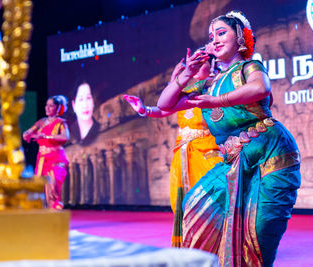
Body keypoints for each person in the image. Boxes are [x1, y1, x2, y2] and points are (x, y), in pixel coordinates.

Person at [157, 11, 300, 267]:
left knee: (261, 229)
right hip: (234, 161)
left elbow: (261, 88)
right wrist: (184, 75)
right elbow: (165, 104)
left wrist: (217, 101)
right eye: (212, 36)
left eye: (221, 33)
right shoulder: (207, 85)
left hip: (271, 154)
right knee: (195, 208)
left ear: (241, 39)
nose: (215, 39)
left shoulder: (248, 67)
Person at [124, 51, 222, 247]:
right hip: (183, 155)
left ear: (211, 65)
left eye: (199, 62)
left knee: (209, 202)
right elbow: (166, 108)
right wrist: (144, 110)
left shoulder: (217, 87)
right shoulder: (190, 89)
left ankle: (215, 246)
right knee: (181, 202)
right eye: (191, 62)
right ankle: (190, 246)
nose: (193, 66)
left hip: (207, 154)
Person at [23, 95, 70, 210]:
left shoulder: (61, 123)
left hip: (55, 159)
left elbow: (65, 137)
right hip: (42, 160)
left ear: (58, 108)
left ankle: (54, 215)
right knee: (39, 188)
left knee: (52, 189)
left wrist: (47, 136)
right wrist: (27, 134)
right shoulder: (41, 122)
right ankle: (43, 217)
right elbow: (29, 131)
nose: (47, 108)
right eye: (46, 105)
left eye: (51, 106)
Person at [70, 80, 100, 146]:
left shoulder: (101, 129)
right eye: (81, 99)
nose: (85, 105)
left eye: (88, 98)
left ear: (93, 102)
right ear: (73, 105)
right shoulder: (69, 135)